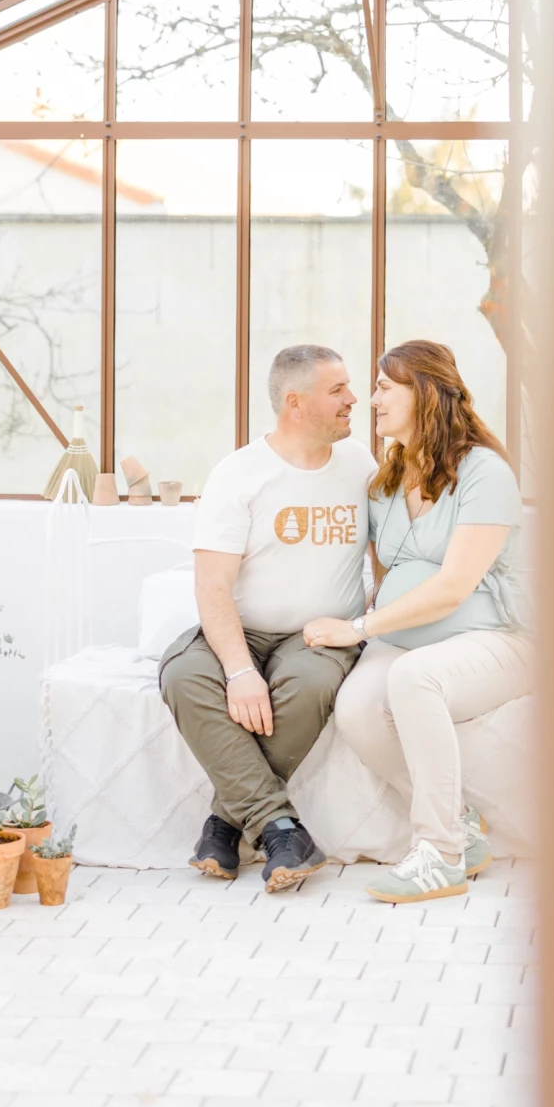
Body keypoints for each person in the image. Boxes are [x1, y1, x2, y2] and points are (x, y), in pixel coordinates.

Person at [303, 339, 532, 905]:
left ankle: (440, 854)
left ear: (424, 392)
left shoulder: (484, 472)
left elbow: (453, 587)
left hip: (496, 638)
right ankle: (460, 826)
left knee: (415, 679)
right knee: (356, 708)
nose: (371, 400)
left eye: (384, 387)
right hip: (402, 642)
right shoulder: (385, 481)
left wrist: (359, 629)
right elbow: (387, 574)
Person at [160, 344, 375, 893]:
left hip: (322, 634)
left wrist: (373, 624)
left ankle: (226, 823)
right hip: (244, 629)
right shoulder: (239, 474)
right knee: (182, 675)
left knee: (309, 685)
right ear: (295, 403)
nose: (354, 399)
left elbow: (388, 554)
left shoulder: (361, 465)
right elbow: (212, 586)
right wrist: (239, 671)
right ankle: (279, 827)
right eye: (338, 390)